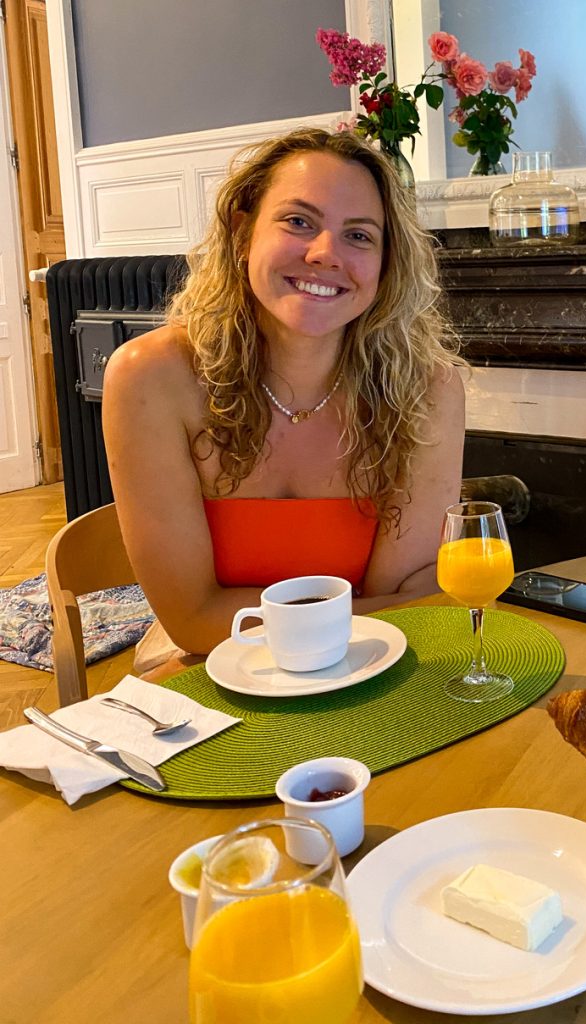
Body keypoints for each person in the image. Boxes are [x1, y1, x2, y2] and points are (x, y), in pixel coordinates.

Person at [102, 128, 465, 664]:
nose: (325, 254)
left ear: (387, 265)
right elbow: (193, 621)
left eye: (359, 236)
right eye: (299, 222)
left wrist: (388, 614)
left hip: (370, 661)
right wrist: (383, 609)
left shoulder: (427, 389)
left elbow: (414, 607)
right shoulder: (150, 377)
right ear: (243, 232)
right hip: (204, 672)